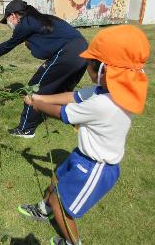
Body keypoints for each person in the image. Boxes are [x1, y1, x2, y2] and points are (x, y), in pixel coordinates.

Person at [17, 25, 150, 245]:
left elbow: (63, 113)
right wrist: (39, 97)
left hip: (95, 167)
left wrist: (38, 106)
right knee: (56, 179)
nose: (86, 65)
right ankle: (44, 209)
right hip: (82, 155)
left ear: (104, 70)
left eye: (90, 62)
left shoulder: (104, 104)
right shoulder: (109, 90)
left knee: (64, 206)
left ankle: (72, 242)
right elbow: (73, 97)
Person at [0, 0, 88, 138]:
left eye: (6, 21)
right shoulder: (41, 19)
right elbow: (49, 44)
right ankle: (78, 119)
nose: (9, 25)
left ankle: (26, 129)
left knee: (34, 88)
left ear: (13, 16)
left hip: (68, 53)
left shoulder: (25, 23)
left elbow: (10, 43)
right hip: (84, 51)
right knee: (62, 91)